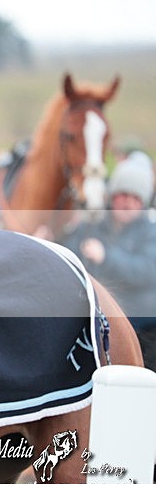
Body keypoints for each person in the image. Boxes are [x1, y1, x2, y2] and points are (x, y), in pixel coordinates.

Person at [58, 153, 156, 373]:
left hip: (143, 332)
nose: (127, 202)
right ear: (112, 197)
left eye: (135, 197)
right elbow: (69, 251)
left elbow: (144, 271)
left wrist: (106, 257)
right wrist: (46, 238)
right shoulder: (95, 225)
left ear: (143, 202)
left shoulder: (151, 232)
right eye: (122, 195)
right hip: (99, 325)